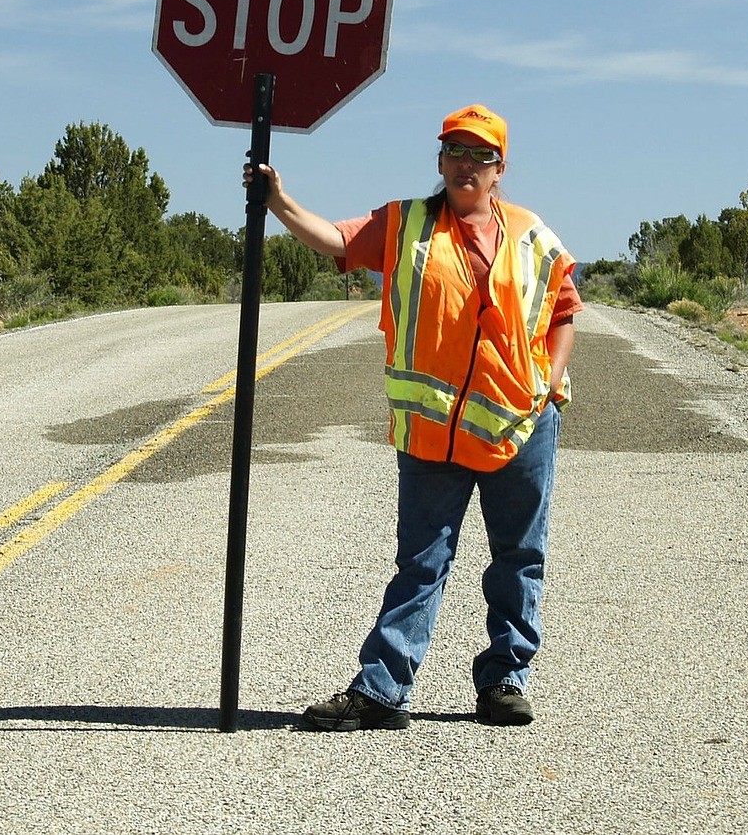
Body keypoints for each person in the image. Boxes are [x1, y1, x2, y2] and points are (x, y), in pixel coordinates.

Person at [246, 103, 581, 731]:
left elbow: (564, 310)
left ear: (499, 169)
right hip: (433, 432)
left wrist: (551, 380)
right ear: (440, 160)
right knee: (422, 562)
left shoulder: (533, 234)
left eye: (480, 154)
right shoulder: (405, 225)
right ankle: (382, 689)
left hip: (522, 424)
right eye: (455, 150)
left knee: (519, 555)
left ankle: (507, 679)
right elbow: (339, 241)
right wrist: (279, 203)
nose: (466, 163)